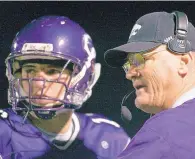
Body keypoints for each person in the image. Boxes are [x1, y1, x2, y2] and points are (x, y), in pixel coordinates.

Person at [0, 15, 130, 159]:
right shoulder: (3, 133)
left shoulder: (110, 137)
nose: (38, 83)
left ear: (82, 77)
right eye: (30, 70)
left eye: (52, 71)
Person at [104, 11, 195, 159]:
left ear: (182, 62)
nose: (129, 74)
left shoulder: (165, 131)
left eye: (140, 59)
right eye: (128, 64)